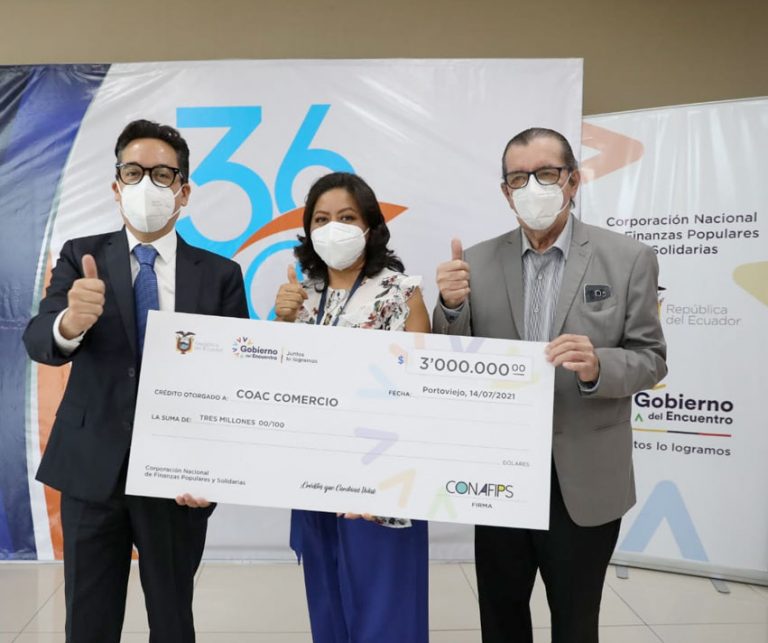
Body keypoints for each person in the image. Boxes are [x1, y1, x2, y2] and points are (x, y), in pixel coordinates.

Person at [433, 127, 667, 643]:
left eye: (546, 174)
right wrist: (449, 306)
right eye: (519, 178)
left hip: (583, 477)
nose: (532, 188)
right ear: (505, 192)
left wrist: (598, 365)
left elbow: (651, 359)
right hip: (501, 474)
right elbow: (448, 362)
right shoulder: (475, 263)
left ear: (573, 181)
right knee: (501, 618)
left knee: (576, 622)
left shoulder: (627, 257)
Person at [23, 119, 249, 643]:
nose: (147, 184)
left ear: (184, 191)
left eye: (162, 174)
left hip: (178, 474)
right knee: (89, 621)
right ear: (116, 185)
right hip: (92, 466)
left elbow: (234, 380)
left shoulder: (219, 274)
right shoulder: (81, 256)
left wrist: (213, 469)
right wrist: (70, 321)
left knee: (172, 620)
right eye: (133, 172)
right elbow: (39, 340)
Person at [274, 171, 431, 643]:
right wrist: (281, 322)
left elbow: (420, 391)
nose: (333, 228)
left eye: (346, 217)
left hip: (381, 473)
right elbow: (275, 383)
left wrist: (379, 477)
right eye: (321, 220)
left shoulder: (402, 292)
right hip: (316, 472)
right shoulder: (300, 295)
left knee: (385, 610)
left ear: (370, 226)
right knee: (328, 603)